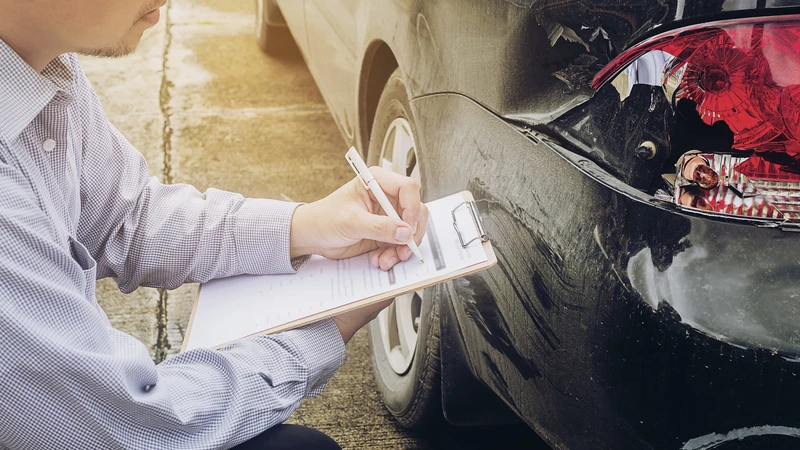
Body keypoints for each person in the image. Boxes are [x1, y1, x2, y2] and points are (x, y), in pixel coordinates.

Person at [0, 1, 428, 448]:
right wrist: (322, 329)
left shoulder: (44, 68)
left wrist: (305, 226)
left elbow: (126, 217)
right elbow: (133, 425)